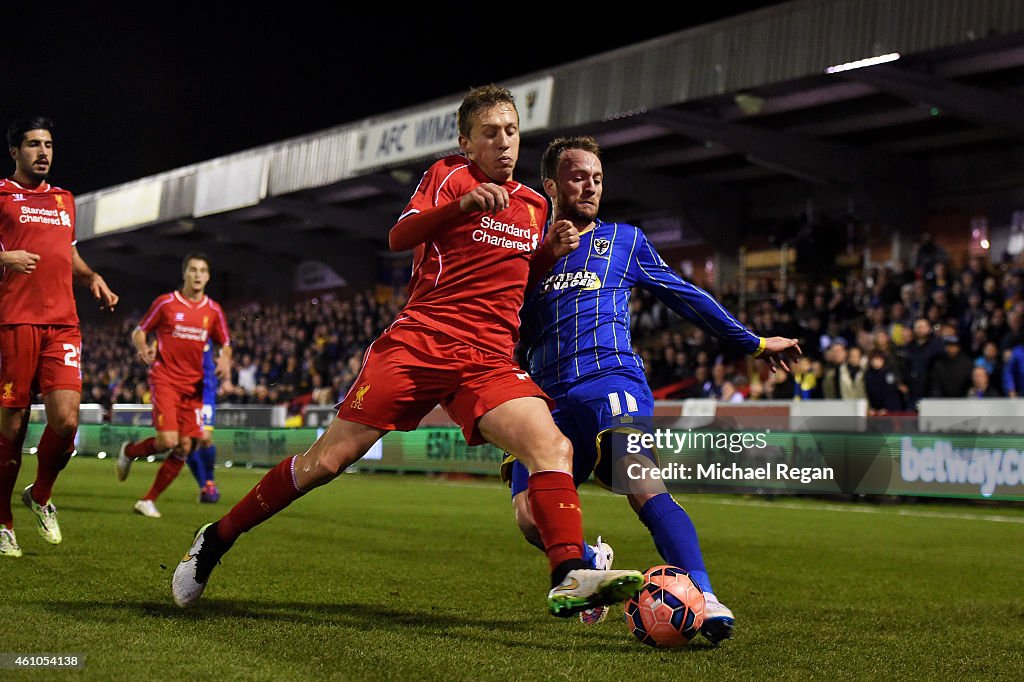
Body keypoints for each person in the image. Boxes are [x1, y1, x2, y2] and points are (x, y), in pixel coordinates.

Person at [171, 85, 644, 617]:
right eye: (490, 133)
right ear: (467, 142)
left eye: (511, 131)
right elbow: (399, 236)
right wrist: (461, 205)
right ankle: (216, 538)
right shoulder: (449, 175)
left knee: (551, 448)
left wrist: (546, 257)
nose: (505, 143)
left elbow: (517, 282)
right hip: (420, 343)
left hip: (488, 359)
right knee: (326, 462)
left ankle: (569, 574)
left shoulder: (535, 206)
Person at [505, 135, 801, 642]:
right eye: (579, 177)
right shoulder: (523, 249)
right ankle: (590, 563)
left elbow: (687, 296)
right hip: (544, 398)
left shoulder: (624, 240)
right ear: (551, 184)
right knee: (531, 518)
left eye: (597, 178)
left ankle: (704, 595)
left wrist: (752, 343)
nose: (591, 187)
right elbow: (499, 317)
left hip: (611, 381)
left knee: (641, 483)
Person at [0, 117, 119, 557]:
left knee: (67, 419)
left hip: (62, 322)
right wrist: (4, 256)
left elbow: (67, 253)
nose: (43, 152)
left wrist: (92, 278)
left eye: (48, 144)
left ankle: (41, 494)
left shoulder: (64, 199)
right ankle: (3, 520)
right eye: (33, 145)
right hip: (16, 321)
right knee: (12, 425)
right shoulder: (2, 195)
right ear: (15, 151)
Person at [116, 253, 231, 518]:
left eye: (203, 270)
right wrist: (143, 347)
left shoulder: (213, 310)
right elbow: (140, 331)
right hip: (165, 378)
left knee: (183, 447)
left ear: (208, 276)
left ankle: (147, 499)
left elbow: (225, 343)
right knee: (168, 440)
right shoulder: (166, 303)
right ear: (185, 274)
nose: (198, 275)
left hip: (195, 388)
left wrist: (225, 359)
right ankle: (130, 452)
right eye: (193, 270)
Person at [185, 341, 221, 503]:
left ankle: (209, 482)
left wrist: (225, 365)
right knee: (189, 442)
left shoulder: (209, 320)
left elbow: (225, 344)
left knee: (205, 438)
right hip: (184, 388)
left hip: (206, 388)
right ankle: (204, 487)